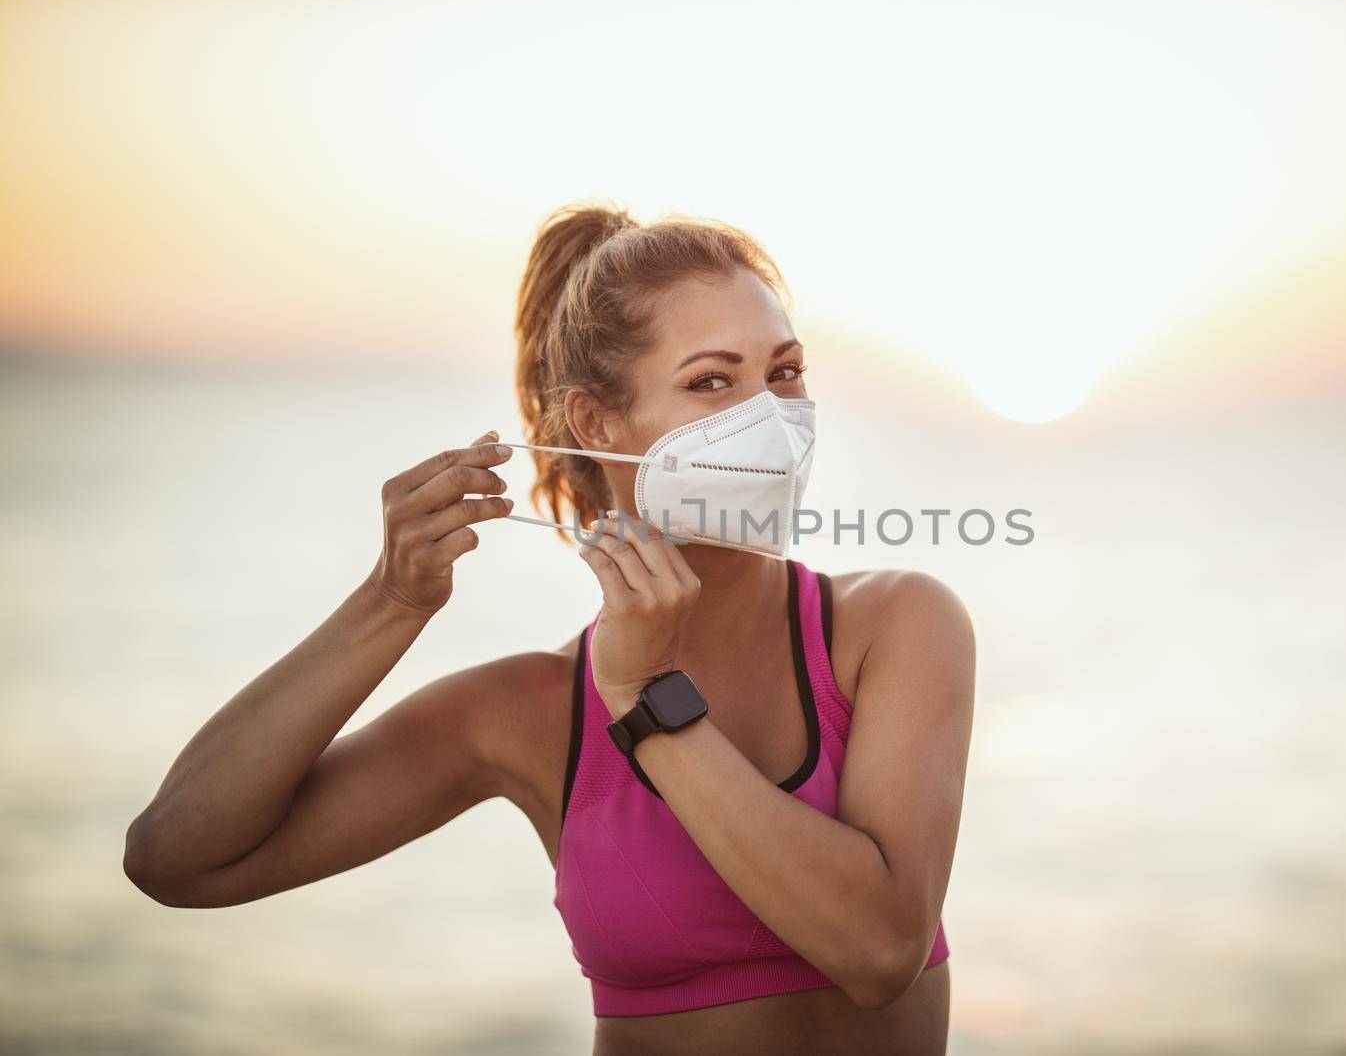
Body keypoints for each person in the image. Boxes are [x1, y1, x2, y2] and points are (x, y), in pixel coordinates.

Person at [123, 201, 977, 1056]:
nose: (773, 419)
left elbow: (879, 949)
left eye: (784, 372)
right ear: (599, 425)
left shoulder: (892, 625)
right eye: (714, 381)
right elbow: (177, 857)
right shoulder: (529, 709)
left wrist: (646, 702)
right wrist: (392, 600)